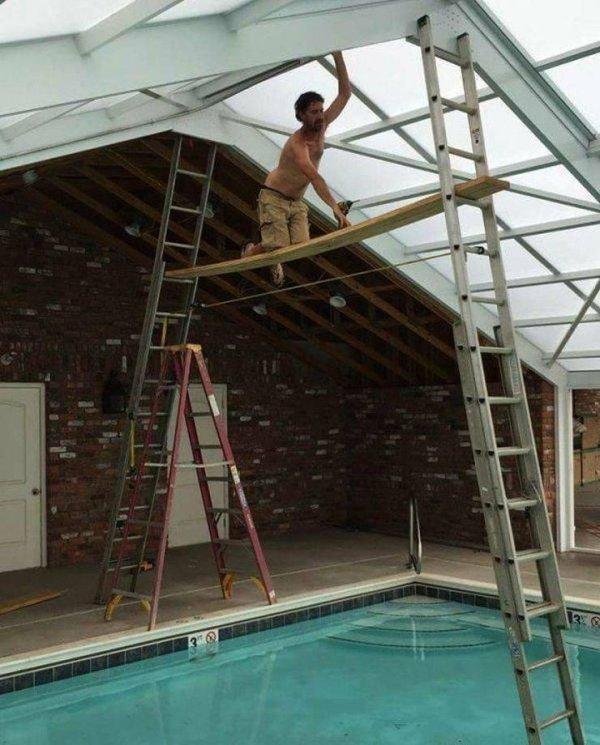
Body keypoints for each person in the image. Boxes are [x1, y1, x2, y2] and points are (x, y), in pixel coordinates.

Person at [242, 51, 352, 287]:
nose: (320, 116)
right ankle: (253, 251)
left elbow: (345, 94)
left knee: (301, 248)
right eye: (314, 112)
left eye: (321, 110)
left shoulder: (322, 126)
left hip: (296, 201)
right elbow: (314, 176)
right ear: (301, 115)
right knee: (278, 247)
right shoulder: (297, 144)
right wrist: (334, 206)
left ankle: (270, 249)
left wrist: (338, 55)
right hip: (274, 197)